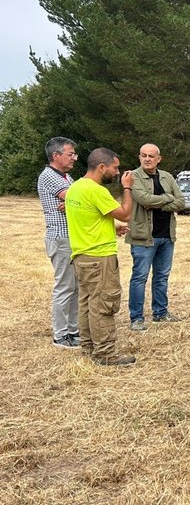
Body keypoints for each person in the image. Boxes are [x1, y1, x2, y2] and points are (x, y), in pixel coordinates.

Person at [64, 147, 137, 366]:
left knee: (87, 303)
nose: (117, 172)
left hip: (82, 256)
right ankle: (105, 353)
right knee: (104, 304)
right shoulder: (97, 190)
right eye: (115, 168)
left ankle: (88, 347)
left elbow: (88, 218)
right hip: (100, 257)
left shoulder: (75, 188)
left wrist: (112, 228)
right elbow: (125, 213)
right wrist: (127, 188)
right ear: (102, 167)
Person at [126, 143, 185, 331]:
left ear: (159, 159)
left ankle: (160, 312)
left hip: (166, 236)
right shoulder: (133, 177)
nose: (147, 159)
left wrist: (159, 203)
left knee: (161, 277)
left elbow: (181, 202)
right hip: (144, 237)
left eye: (151, 156)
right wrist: (169, 198)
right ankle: (136, 318)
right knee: (139, 277)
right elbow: (144, 199)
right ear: (139, 157)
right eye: (143, 155)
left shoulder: (167, 177)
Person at [37, 137, 81, 349]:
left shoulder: (66, 176)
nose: (74, 158)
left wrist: (73, 201)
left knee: (75, 287)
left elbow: (77, 198)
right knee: (65, 287)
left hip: (71, 238)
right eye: (70, 154)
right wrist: (73, 200)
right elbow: (79, 197)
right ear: (56, 156)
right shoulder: (49, 176)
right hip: (61, 238)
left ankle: (73, 331)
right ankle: (60, 335)